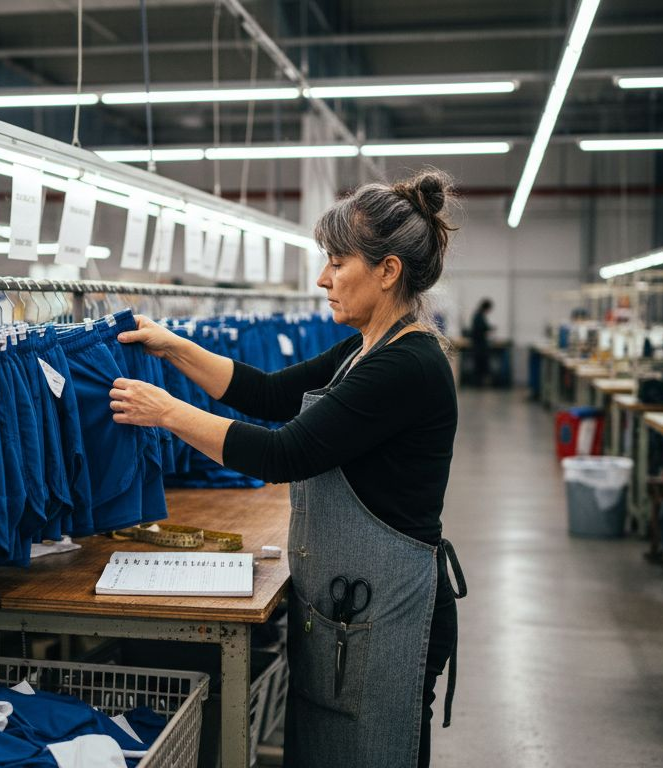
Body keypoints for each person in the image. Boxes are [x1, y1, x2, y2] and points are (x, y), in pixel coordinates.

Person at [110, 171, 466, 767]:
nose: (323, 278)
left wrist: (167, 413)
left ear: (387, 271)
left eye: (337, 263)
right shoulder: (365, 349)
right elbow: (270, 394)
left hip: (389, 613)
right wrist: (173, 346)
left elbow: (284, 453)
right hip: (351, 605)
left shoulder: (409, 365)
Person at [469, 298, 493, 386]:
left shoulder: (479, 315)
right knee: (480, 364)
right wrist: (488, 328)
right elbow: (480, 329)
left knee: (479, 364)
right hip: (479, 345)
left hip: (478, 344)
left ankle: (479, 383)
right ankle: (478, 383)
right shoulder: (479, 316)